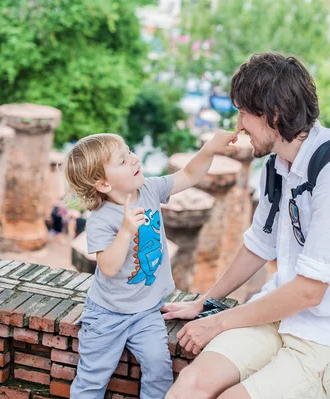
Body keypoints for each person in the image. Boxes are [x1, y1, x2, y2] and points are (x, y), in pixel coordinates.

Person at [162, 52, 330, 399]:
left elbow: (309, 291)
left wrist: (220, 321)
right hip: (279, 314)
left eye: (244, 113)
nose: (238, 125)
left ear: (273, 115)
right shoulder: (278, 166)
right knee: (190, 386)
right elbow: (259, 244)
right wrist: (205, 303)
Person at [64, 131, 238, 399]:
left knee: (159, 371)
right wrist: (125, 231)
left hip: (147, 312)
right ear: (104, 184)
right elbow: (108, 268)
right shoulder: (102, 218)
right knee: (92, 378)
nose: (134, 160)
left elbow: (190, 175)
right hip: (107, 315)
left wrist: (210, 148)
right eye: (122, 161)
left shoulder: (149, 189)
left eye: (130, 152)